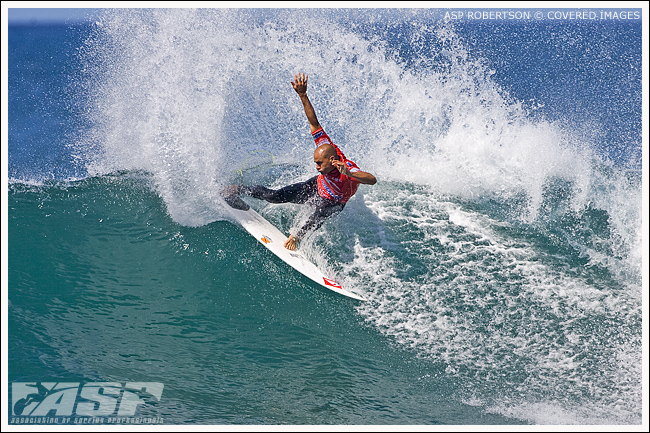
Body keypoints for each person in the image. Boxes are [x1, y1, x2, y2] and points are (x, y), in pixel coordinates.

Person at [225, 73, 376, 250]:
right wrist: (302, 95)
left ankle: (296, 238)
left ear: (332, 160)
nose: (317, 166)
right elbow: (314, 123)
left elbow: (372, 179)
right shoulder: (324, 145)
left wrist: (350, 174)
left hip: (335, 201)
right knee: (274, 196)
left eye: (320, 164)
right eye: (316, 163)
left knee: (318, 216)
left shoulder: (346, 168)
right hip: (316, 187)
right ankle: (237, 189)